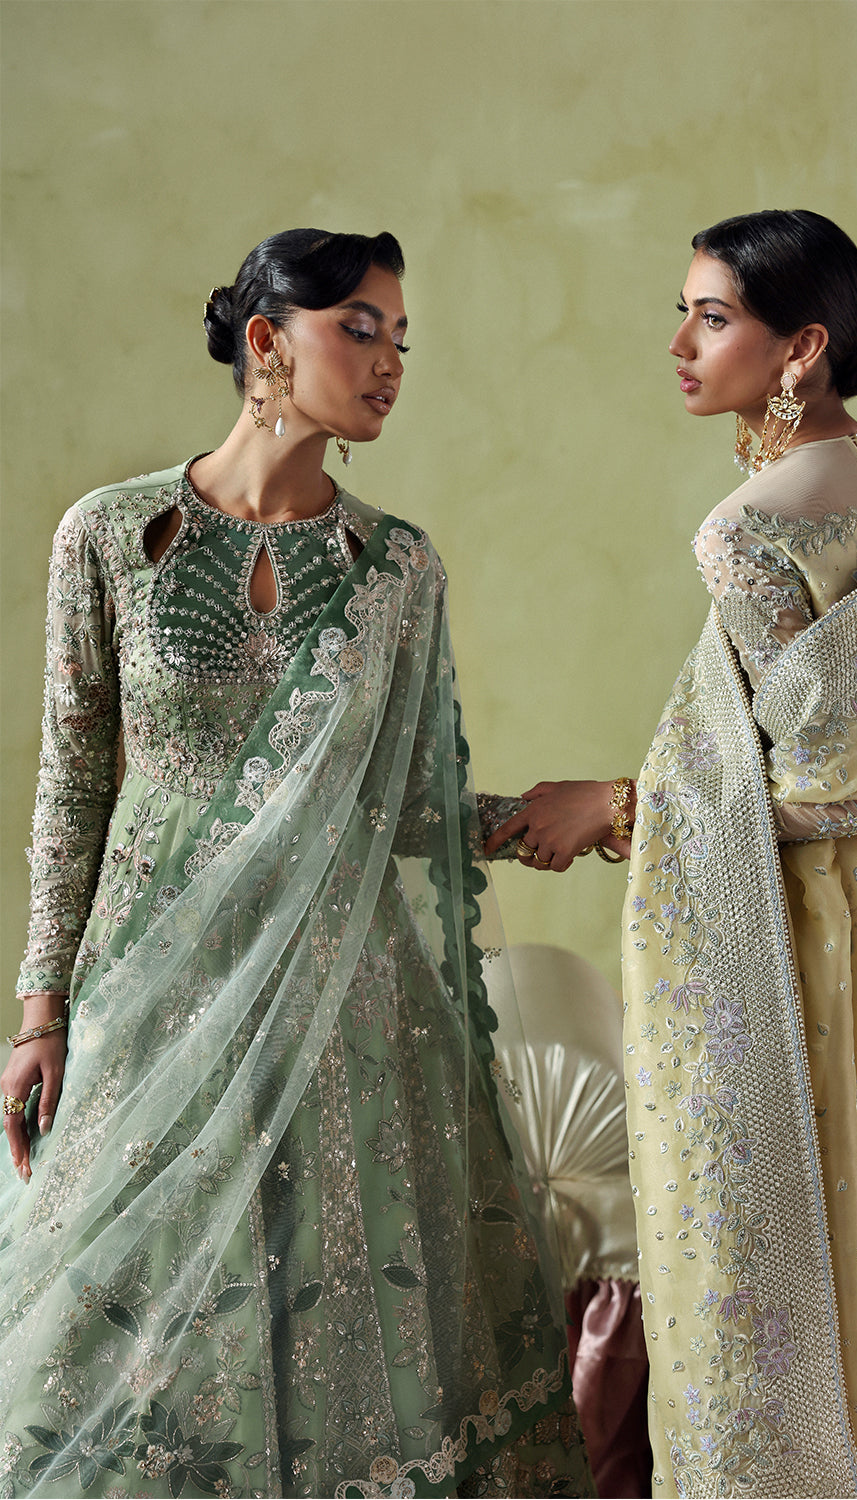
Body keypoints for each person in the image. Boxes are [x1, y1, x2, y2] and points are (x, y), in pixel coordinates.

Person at [0, 228, 593, 1499]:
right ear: (267, 342)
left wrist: (556, 814)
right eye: (360, 330)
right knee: (119, 1344)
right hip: (156, 994)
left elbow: (404, 804)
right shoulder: (112, 536)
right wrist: (40, 1011)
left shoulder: (398, 568)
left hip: (347, 1004)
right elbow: (75, 785)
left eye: (400, 340)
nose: (389, 364)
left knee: (335, 1335)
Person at [487, 211, 857, 1496]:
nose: (677, 343)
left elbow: (816, 794)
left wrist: (614, 806)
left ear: (799, 348)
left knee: (800, 1247)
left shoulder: (749, 528)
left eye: (710, 317)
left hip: (814, 953)